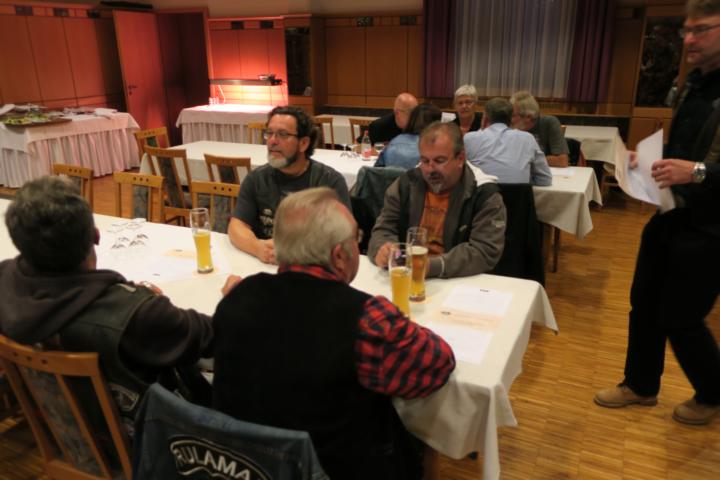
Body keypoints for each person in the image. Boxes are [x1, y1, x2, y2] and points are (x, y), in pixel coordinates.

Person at [213, 187, 455, 479]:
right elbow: (438, 363)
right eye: (356, 238)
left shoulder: (238, 296)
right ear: (340, 255)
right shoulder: (368, 319)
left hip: (245, 466)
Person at [0, 176, 214, 427]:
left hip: (58, 426)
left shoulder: (5, 279)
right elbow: (214, 336)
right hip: (145, 439)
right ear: (96, 236)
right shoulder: (137, 314)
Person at [594, 0, 720, 425]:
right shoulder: (693, 84)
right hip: (669, 213)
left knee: (682, 317)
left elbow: (699, 165)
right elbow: (683, 149)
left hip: (710, 226)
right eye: (687, 30)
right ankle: (641, 385)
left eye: (701, 29)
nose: (689, 39)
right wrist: (648, 159)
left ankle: (712, 392)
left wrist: (697, 172)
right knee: (643, 303)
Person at [368, 121, 507, 278]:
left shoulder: (484, 194)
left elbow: (484, 251)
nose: (430, 169)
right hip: (407, 275)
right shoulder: (406, 185)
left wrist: (431, 266)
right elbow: (384, 228)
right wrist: (382, 249)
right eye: (425, 161)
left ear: (460, 158)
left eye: (439, 161)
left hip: (459, 280)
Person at [228, 106, 351, 264]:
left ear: (303, 143)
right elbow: (237, 225)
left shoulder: (329, 182)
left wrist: (292, 251)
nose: (272, 141)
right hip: (265, 265)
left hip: (311, 267)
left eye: (283, 134)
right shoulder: (256, 179)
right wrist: (257, 248)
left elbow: (343, 237)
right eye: (269, 133)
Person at [465, 97, 553, 186]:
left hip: (483, 193)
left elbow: (461, 177)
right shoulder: (527, 139)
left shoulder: (469, 139)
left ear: (485, 118)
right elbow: (544, 179)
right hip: (518, 194)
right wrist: (523, 180)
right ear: (511, 119)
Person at [509, 90, 570, 167]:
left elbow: (562, 161)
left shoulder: (549, 123)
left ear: (528, 117)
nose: (510, 119)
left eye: (513, 115)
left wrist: (525, 159)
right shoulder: (508, 126)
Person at [374, 103, 442, 169]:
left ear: (412, 120)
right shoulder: (436, 148)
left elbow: (378, 171)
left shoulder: (394, 142)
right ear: (436, 124)